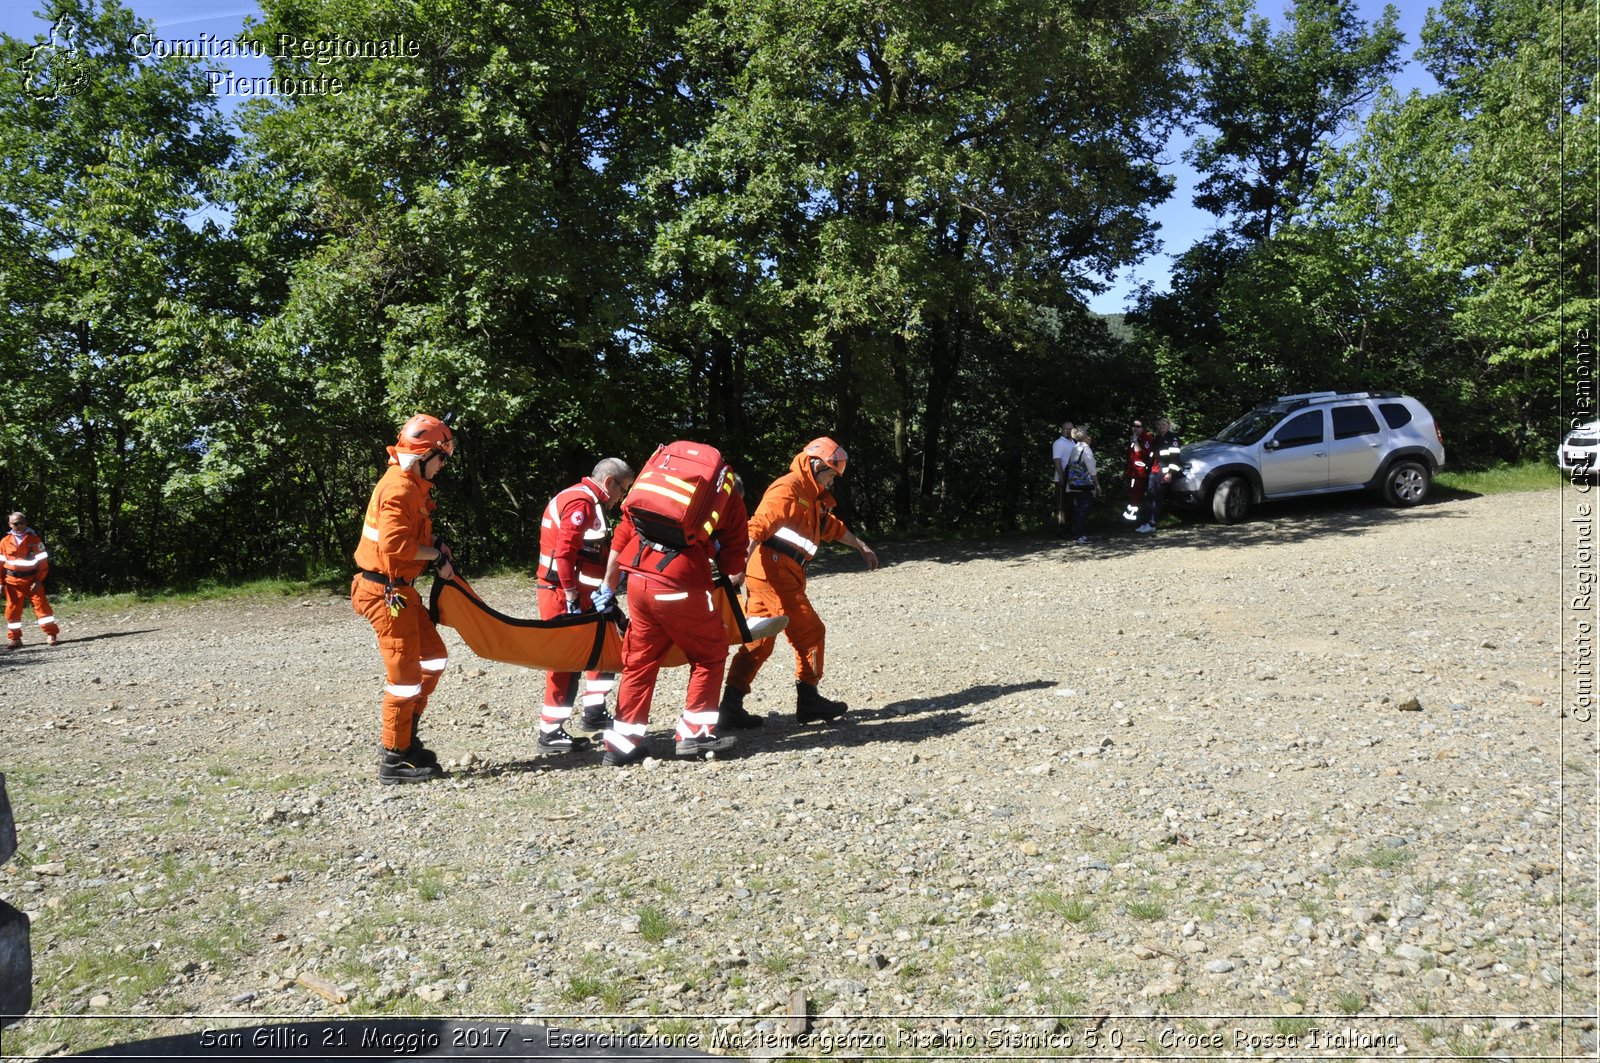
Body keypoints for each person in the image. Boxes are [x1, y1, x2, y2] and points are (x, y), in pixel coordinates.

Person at [593, 450, 749, 767]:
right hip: (680, 583)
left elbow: (623, 534)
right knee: (710, 651)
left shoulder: (660, 481)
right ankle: (695, 734)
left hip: (638, 580)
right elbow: (734, 547)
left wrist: (609, 584)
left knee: (639, 661)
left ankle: (621, 744)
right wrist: (730, 574)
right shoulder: (726, 487)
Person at [721, 437, 878, 728]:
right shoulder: (788, 488)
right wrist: (738, 567)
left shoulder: (812, 495)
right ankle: (808, 699)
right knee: (811, 631)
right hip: (773, 573)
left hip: (778, 573)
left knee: (760, 640)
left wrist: (860, 545)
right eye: (831, 473)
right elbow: (757, 526)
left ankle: (730, 705)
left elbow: (830, 527)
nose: (832, 481)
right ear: (817, 464)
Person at [351, 414, 457, 785]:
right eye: (441, 457)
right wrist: (438, 556)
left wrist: (436, 547)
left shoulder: (412, 484)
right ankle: (395, 757)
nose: (443, 466)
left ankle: (405, 735)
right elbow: (396, 548)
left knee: (435, 657)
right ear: (425, 454)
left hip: (400, 589)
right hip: (386, 592)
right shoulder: (398, 488)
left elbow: (413, 540)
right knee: (404, 679)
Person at [534, 457, 634, 752]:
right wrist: (571, 596)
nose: (622, 497)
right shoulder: (582, 503)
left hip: (583, 593)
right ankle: (550, 731)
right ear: (609, 482)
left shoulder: (584, 499)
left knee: (602, 648)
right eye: (623, 489)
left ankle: (593, 711)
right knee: (564, 663)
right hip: (561, 595)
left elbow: (587, 552)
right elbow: (564, 555)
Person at [3, 512, 60, 648]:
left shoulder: (34, 540)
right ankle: (15, 638)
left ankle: (51, 634)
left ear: (26, 523)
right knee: (12, 610)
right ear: (10, 525)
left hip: (32, 581)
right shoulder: (4, 542)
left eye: (22, 522)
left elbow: (43, 564)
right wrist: (0, 583)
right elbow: (0, 564)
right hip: (12, 582)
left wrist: (38, 580)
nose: (20, 526)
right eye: (16, 524)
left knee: (42, 608)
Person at [1138, 417, 1182, 534]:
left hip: (1164, 471)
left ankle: (1152, 523)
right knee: (1151, 496)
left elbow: (1175, 459)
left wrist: (1170, 473)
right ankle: (1147, 522)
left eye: (1163, 424)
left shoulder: (1173, 439)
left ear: (1168, 425)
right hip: (1154, 470)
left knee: (1157, 498)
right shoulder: (1157, 438)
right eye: (1159, 425)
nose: (1161, 427)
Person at [1063, 429, 1101, 544]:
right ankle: (1078, 535)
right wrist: (1097, 484)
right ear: (1085, 437)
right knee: (1084, 509)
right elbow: (1092, 470)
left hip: (1074, 484)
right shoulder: (1086, 449)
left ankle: (1075, 533)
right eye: (1088, 435)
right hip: (1083, 484)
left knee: (1076, 509)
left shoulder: (1075, 448)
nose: (1089, 437)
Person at [1122, 420, 1156, 523]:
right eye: (1133, 426)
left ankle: (1134, 520)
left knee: (1136, 496)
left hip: (1141, 473)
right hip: (1133, 472)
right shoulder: (1134, 438)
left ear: (1143, 427)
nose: (1135, 428)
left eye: (1138, 426)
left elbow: (1143, 454)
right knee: (1133, 495)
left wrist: (1135, 442)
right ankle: (1132, 519)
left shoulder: (1146, 438)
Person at [1051, 421, 1075, 536]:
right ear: (1061, 429)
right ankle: (1060, 529)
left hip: (1072, 478)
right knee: (1062, 505)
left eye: (1070, 429)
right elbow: (1057, 460)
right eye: (1066, 429)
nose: (1068, 431)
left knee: (1069, 504)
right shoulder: (1059, 443)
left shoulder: (1073, 442)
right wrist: (1061, 476)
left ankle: (1069, 527)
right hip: (1063, 478)